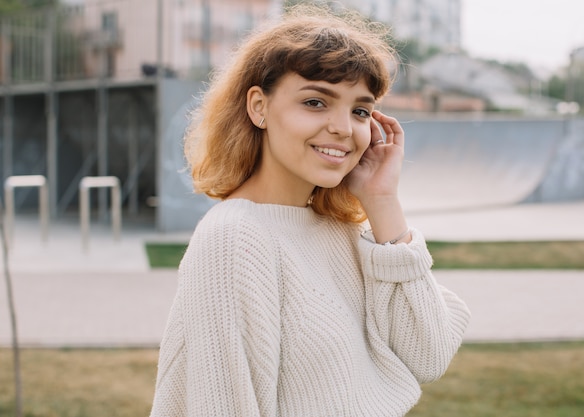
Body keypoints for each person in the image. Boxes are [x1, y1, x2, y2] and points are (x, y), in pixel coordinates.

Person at [150, 4, 470, 417]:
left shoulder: (341, 230)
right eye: (316, 102)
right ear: (258, 107)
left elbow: (428, 356)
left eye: (360, 110)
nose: (342, 127)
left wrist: (381, 201)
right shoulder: (235, 240)